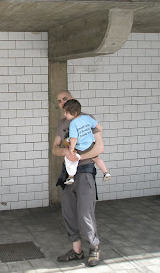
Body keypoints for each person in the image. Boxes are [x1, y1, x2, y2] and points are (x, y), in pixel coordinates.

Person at [52, 90, 104, 267]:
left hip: (85, 172)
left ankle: (94, 248)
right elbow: (55, 149)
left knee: (85, 214)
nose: (62, 103)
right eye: (59, 101)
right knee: (69, 213)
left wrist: (79, 156)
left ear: (72, 99)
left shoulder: (88, 119)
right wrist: (66, 152)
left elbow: (100, 148)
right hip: (68, 174)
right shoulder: (62, 124)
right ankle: (76, 251)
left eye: (65, 99)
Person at [62, 99, 111, 185]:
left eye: (66, 112)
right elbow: (98, 126)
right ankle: (105, 172)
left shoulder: (73, 123)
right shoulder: (87, 118)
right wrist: (100, 134)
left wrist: (71, 149)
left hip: (80, 147)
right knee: (96, 158)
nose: (64, 114)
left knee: (71, 160)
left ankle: (70, 177)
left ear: (74, 113)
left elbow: (74, 138)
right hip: (90, 144)